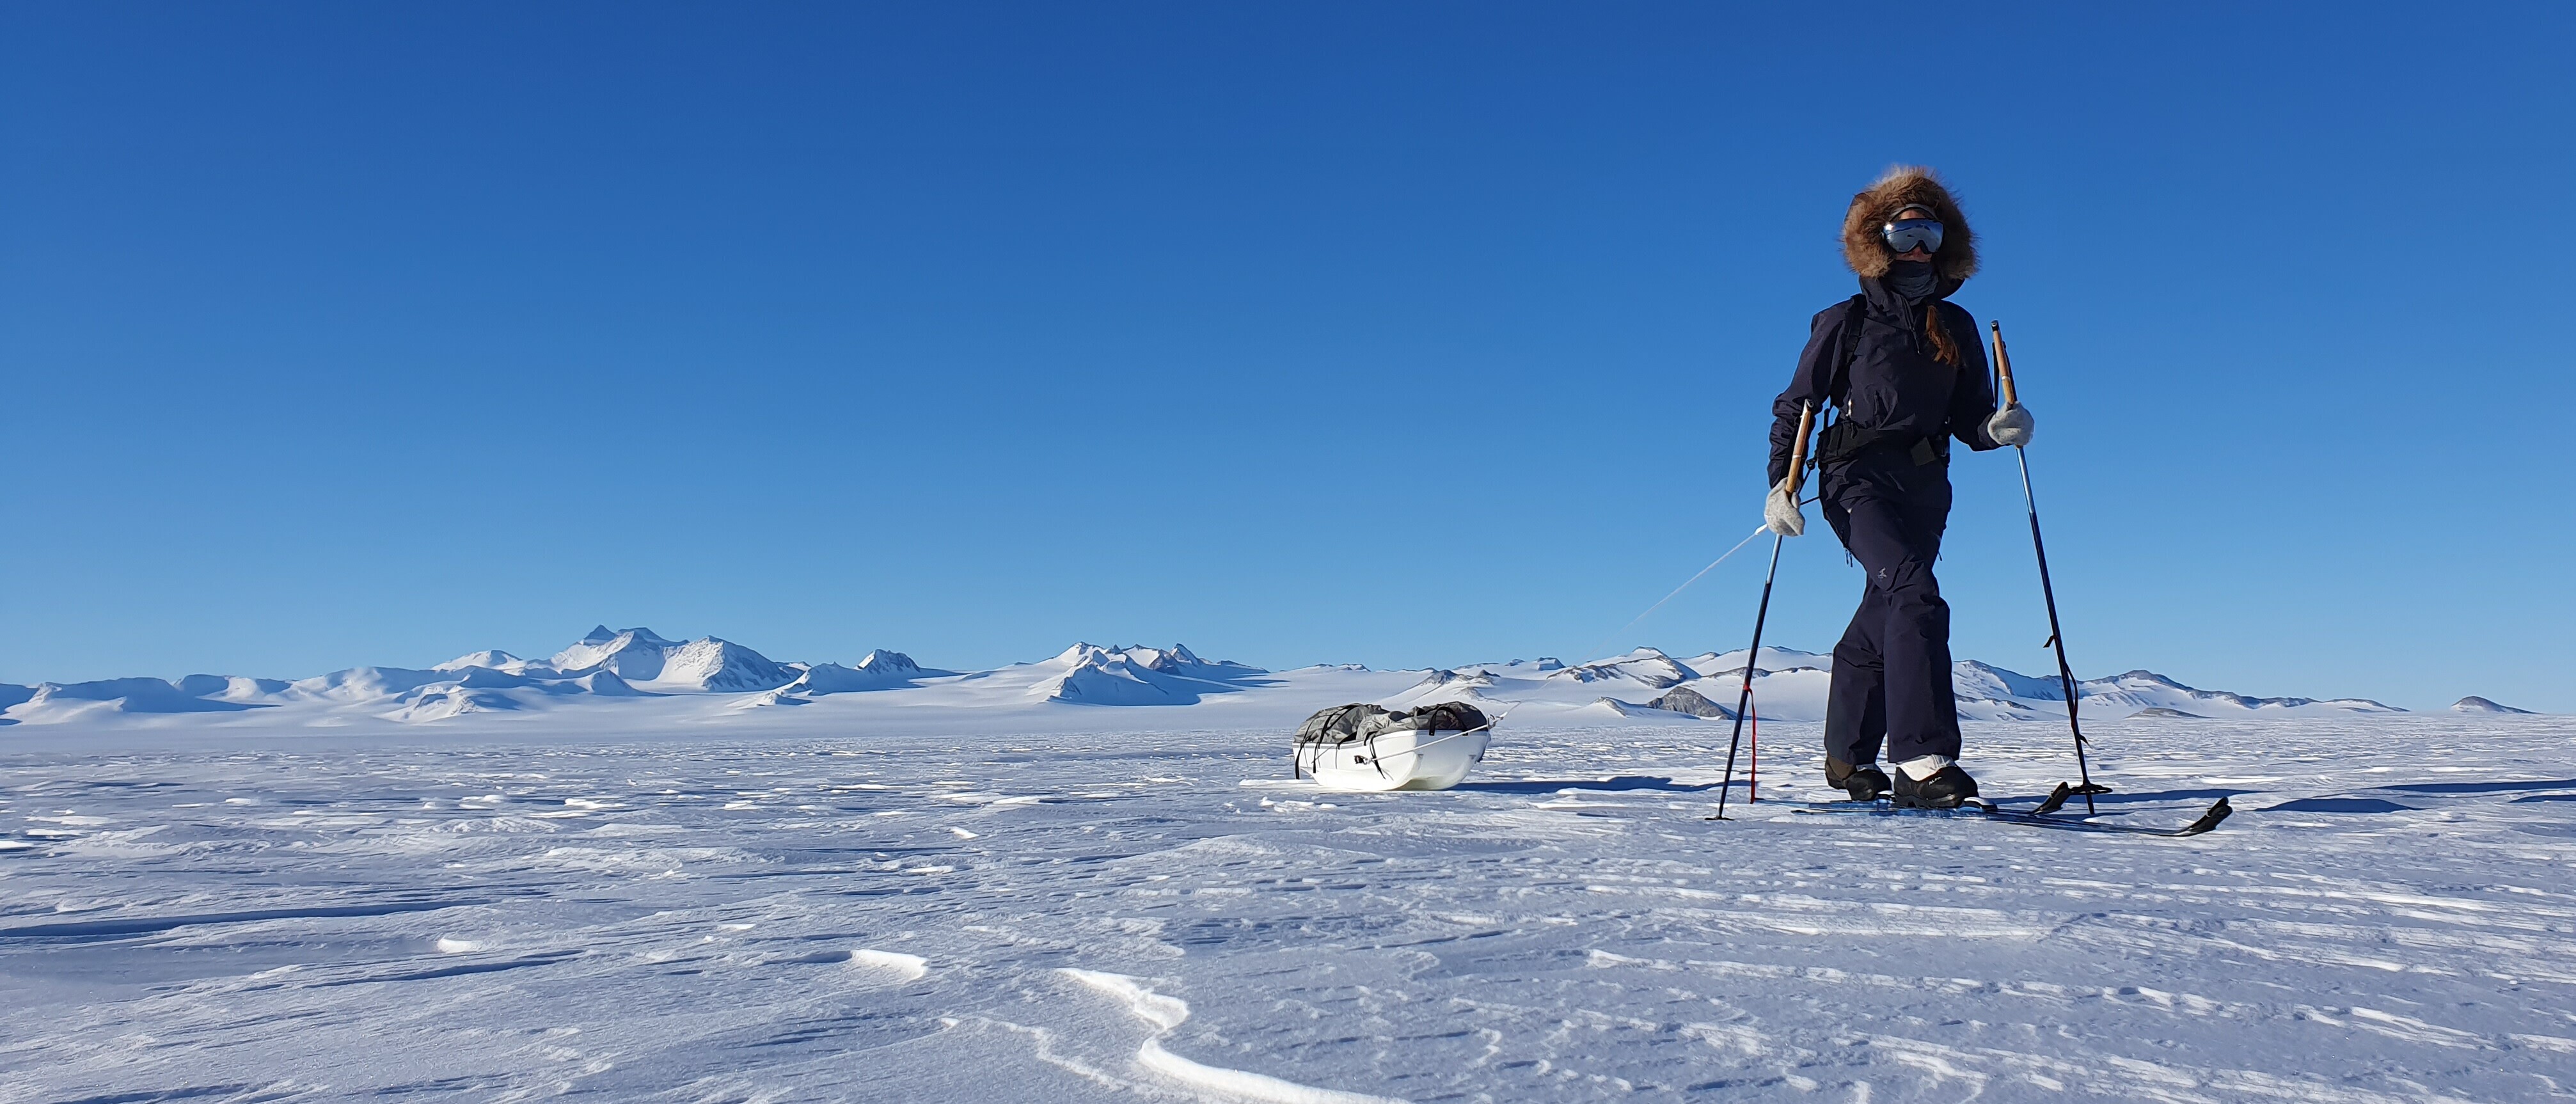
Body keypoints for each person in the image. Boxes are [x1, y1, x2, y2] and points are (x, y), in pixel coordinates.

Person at [1762, 166, 2033, 808]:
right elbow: (1794, 406)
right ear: (1876, 240)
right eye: (1905, 230)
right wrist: (1782, 484)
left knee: (1885, 610)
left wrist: (2000, 428)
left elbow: (1972, 422)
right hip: (1854, 477)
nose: (1918, 247)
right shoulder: (1845, 322)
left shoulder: (1959, 327)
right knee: (1915, 593)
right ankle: (1920, 758)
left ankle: (1846, 757)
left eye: (1931, 233)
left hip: (1927, 484)